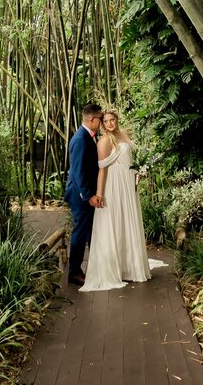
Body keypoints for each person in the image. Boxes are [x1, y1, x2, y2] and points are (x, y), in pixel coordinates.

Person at [80, 110, 152, 292]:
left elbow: (134, 159)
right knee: (115, 221)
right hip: (114, 186)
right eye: (106, 121)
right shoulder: (104, 141)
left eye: (112, 120)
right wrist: (99, 194)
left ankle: (131, 267)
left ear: (117, 120)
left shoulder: (125, 134)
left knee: (129, 221)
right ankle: (115, 268)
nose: (110, 123)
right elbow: (102, 170)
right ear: (102, 123)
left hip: (128, 185)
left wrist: (139, 172)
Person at [64, 103, 104, 286]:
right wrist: (89, 196)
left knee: (89, 231)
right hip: (80, 194)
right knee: (80, 232)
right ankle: (74, 272)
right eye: (101, 119)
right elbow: (79, 171)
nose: (102, 122)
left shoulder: (89, 136)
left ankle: (93, 267)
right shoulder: (81, 139)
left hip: (85, 192)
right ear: (92, 119)